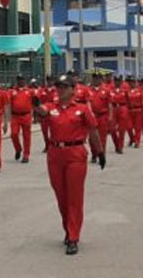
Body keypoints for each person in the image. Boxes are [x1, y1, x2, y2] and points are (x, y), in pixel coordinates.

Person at [35, 75, 105, 256]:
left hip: (75, 154)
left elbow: (93, 131)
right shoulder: (52, 107)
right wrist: (36, 104)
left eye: (65, 87)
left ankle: (73, 237)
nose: (61, 89)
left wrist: (100, 152)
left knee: (74, 197)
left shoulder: (82, 109)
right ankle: (68, 228)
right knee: (61, 196)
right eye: (59, 86)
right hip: (56, 154)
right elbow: (42, 111)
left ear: (73, 89)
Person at [9, 75, 35, 163]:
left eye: (22, 79)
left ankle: (26, 155)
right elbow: (8, 104)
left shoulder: (30, 91)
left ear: (25, 81)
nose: (20, 81)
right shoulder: (12, 91)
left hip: (26, 116)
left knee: (27, 136)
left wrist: (34, 115)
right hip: (15, 116)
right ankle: (18, 148)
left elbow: (35, 103)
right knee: (14, 134)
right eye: (19, 80)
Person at [87, 72, 112, 163]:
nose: (96, 80)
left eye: (98, 78)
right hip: (93, 116)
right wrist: (90, 114)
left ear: (101, 79)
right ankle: (94, 154)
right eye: (94, 78)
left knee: (102, 137)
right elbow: (88, 103)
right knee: (91, 138)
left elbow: (109, 104)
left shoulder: (106, 90)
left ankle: (102, 154)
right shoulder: (89, 90)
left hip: (103, 116)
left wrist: (110, 117)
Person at [110, 76, 131, 153]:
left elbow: (129, 101)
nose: (117, 82)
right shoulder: (110, 90)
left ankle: (120, 146)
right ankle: (116, 144)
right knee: (112, 129)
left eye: (119, 81)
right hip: (114, 108)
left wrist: (129, 110)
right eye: (116, 81)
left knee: (122, 129)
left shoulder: (125, 90)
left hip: (123, 108)